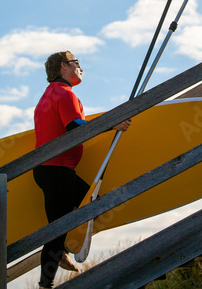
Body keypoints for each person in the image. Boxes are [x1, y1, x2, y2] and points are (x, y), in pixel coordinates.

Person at [33, 50, 131, 288]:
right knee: (58, 230)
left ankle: (63, 248)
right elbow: (74, 125)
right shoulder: (64, 94)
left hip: (54, 171)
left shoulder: (48, 95)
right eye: (76, 62)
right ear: (63, 67)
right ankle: (45, 284)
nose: (80, 67)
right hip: (57, 172)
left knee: (95, 207)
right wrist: (111, 123)